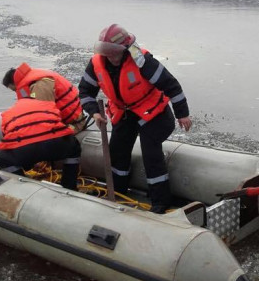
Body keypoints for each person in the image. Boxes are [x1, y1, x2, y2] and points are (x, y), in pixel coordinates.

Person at [78, 24, 192, 214]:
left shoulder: (141, 59)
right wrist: (94, 112)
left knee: (151, 152)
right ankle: (118, 191)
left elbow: (171, 85)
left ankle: (160, 202)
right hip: (124, 112)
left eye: (114, 52)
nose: (111, 57)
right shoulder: (97, 63)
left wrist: (182, 113)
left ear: (124, 49)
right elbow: (85, 91)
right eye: (107, 52)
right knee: (117, 151)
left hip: (153, 113)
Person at [0, 97, 81, 191]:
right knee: (74, 148)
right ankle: (69, 186)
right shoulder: (49, 105)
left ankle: (21, 187)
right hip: (55, 144)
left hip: (25, 149)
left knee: (3, 157)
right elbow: (58, 122)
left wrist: (27, 163)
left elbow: (7, 138)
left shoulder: (8, 113)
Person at [2, 62, 86, 133]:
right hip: (67, 120)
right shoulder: (34, 79)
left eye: (15, 90)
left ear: (16, 83)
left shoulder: (40, 86)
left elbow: (45, 116)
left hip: (74, 124)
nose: (16, 92)